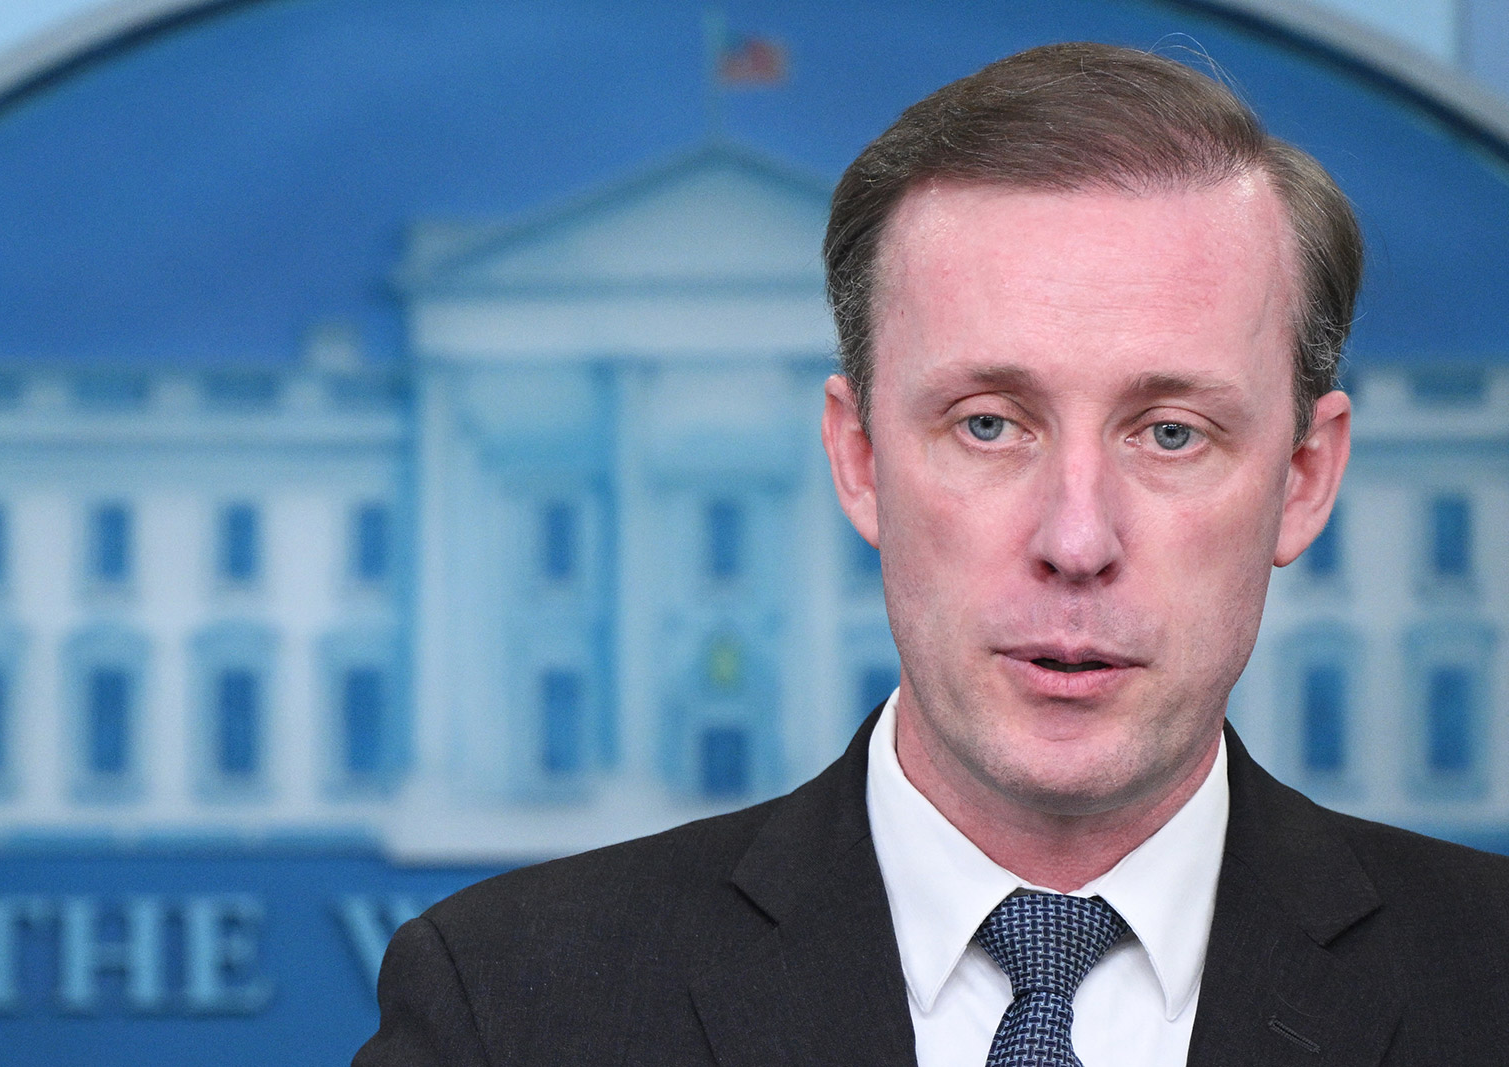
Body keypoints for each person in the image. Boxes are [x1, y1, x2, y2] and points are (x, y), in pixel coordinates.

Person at [354, 42, 1509, 1066]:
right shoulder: (505, 1012)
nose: (1074, 539)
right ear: (857, 460)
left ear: (1302, 481)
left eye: (1169, 432)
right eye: (988, 425)